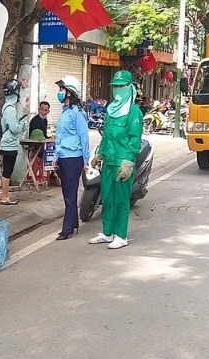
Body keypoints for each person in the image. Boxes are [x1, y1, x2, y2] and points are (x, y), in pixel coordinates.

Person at [88, 70, 143, 250]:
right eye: (115, 86)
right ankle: (107, 232)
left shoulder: (134, 113)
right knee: (108, 197)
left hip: (122, 163)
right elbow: (107, 136)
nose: (118, 90)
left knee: (120, 199)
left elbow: (134, 140)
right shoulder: (111, 110)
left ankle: (121, 235)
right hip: (109, 161)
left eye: (121, 86)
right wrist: (99, 154)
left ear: (129, 88)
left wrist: (128, 163)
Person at [53, 75, 90, 241]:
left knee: (70, 195)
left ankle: (67, 229)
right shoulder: (64, 112)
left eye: (62, 89)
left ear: (69, 92)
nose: (59, 92)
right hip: (62, 157)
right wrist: (55, 157)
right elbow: (59, 137)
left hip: (74, 158)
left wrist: (86, 160)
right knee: (66, 193)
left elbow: (84, 137)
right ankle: (73, 224)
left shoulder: (77, 113)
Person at [0, 78, 26, 206]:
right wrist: (22, 125)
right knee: (7, 171)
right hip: (9, 144)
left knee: (7, 171)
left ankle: (6, 195)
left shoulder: (7, 107)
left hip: (8, 143)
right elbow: (14, 129)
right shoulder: (10, 109)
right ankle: (5, 197)